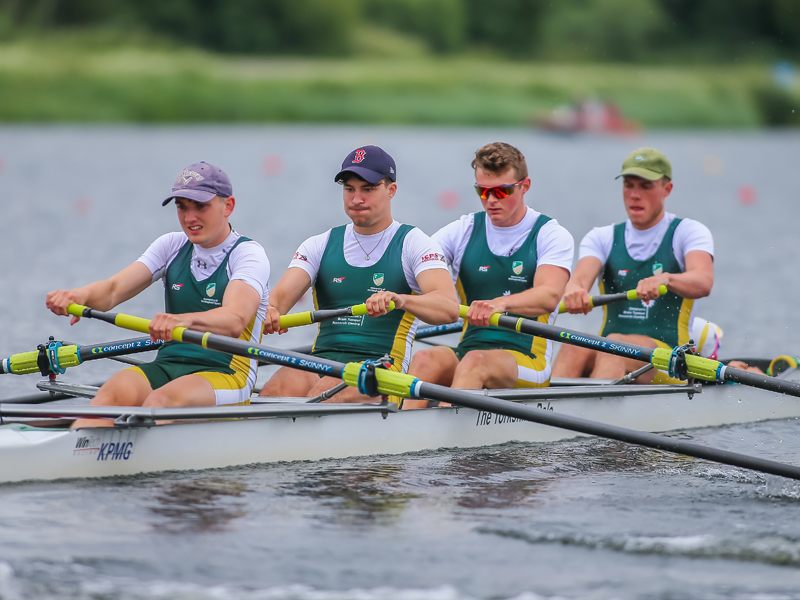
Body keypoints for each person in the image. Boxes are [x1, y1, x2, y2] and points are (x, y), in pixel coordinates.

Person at [47, 162, 270, 427]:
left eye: (201, 206)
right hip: (168, 365)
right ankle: (73, 454)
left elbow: (235, 319)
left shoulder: (248, 254)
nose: (189, 218)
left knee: (158, 403)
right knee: (112, 393)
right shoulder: (171, 245)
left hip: (226, 373)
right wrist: (78, 295)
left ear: (228, 206)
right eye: (182, 207)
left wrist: (181, 320)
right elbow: (112, 290)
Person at [259, 145, 459, 403]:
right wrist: (271, 311)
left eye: (368, 188)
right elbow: (279, 298)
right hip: (321, 361)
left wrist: (401, 300)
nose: (356, 199)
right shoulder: (319, 244)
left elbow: (449, 308)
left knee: (325, 392)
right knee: (275, 389)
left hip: (381, 369)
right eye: (349, 189)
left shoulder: (414, 243)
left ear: (391, 190)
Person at [403, 142, 574, 409]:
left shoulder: (550, 234)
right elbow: (415, 264)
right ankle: (402, 436)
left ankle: (443, 444)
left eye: (501, 191)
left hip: (526, 359)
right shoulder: (463, 230)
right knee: (425, 358)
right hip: (470, 350)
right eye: (482, 191)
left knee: (475, 362)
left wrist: (500, 304)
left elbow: (549, 296)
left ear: (524, 186)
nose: (491, 200)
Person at [552, 147, 714, 383]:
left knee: (616, 347)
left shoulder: (688, 232)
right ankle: (544, 413)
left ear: (667, 189)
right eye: (629, 185)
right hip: (611, 347)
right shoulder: (602, 237)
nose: (635, 195)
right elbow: (578, 280)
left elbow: (703, 281)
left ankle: (591, 412)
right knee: (573, 345)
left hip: (668, 360)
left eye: (645, 186)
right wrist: (575, 293)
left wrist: (666, 279)